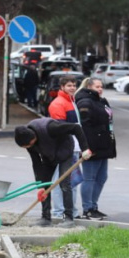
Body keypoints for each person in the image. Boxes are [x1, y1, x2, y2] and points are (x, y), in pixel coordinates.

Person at [14, 118, 92, 228]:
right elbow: (36, 163)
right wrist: (39, 185)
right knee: (44, 185)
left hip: (65, 152)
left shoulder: (51, 128)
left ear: (33, 138)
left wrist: (85, 149)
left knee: (64, 184)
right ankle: (45, 218)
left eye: (28, 145)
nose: (28, 148)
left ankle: (69, 218)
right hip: (49, 156)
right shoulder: (28, 142)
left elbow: (76, 128)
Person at [74, 77, 115, 220]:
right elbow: (85, 127)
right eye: (97, 86)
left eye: (101, 86)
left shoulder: (101, 101)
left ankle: (94, 206)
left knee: (102, 177)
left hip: (104, 145)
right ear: (89, 87)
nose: (100, 89)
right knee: (90, 178)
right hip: (92, 147)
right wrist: (87, 147)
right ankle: (88, 209)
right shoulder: (85, 102)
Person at [47, 75, 81, 219]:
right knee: (59, 180)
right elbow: (60, 129)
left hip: (74, 148)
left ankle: (71, 211)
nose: (72, 88)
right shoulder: (58, 103)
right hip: (65, 148)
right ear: (62, 87)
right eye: (69, 85)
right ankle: (58, 212)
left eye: (74, 85)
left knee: (72, 181)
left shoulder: (72, 101)